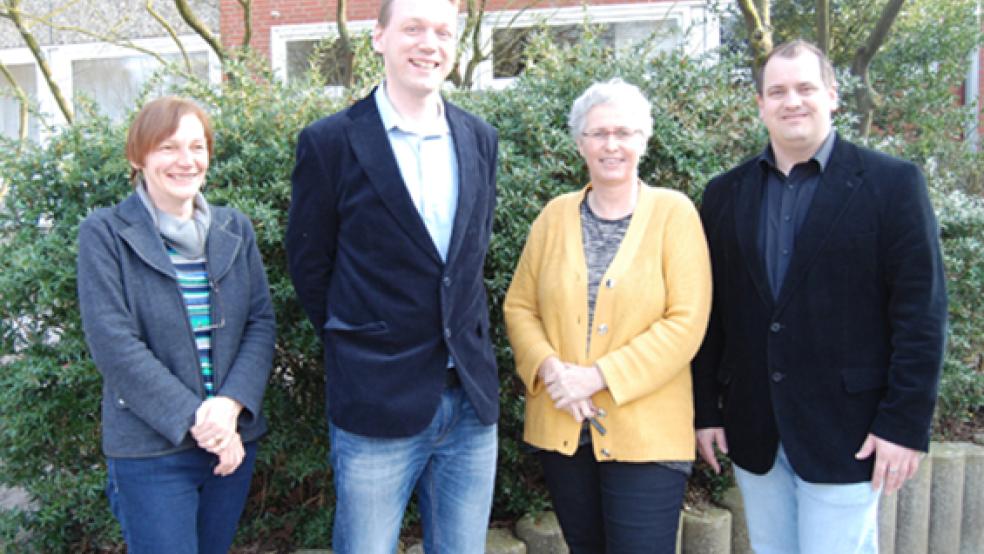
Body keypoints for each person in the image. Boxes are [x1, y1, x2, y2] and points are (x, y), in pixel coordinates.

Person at [693, 40, 947, 554]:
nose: (793, 101)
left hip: (850, 432)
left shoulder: (892, 184)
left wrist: (904, 424)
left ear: (832, 95)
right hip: (756, 428)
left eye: (806, 88)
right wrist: (705, 410)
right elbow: (710, 314)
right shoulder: (725, 194)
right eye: (778, 91)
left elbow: (921, 315)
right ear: (761, 104)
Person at [285, 0, 499, 551]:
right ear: (379, 38)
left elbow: (468, 263)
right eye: (412, 29)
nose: (429, 43)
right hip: (375, 401)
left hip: (470, 403)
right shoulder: (330, 142)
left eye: (443, 32)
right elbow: (310, 267)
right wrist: (358, 345)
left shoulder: (479, 138)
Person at [503, 78, 712, 553]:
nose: (611, 144)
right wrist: (553, 372)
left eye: (625, 132)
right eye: (598, 133)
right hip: (564, 429)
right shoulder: (554, 216)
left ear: (644, 139)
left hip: (648, 437)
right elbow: (519, 305)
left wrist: (595, 377)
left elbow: (686, 321)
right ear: (580, 143)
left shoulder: (673, 214)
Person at [77, 96, 276, 553]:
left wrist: (228, 409)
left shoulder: (235, 229)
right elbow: (114, 344)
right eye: (168, 147)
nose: (185, 161)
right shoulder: (105, 234)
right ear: (138, 156)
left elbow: (259, 323)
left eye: (197, 147)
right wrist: (201, 422)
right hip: (152, 451)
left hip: (231, 445)